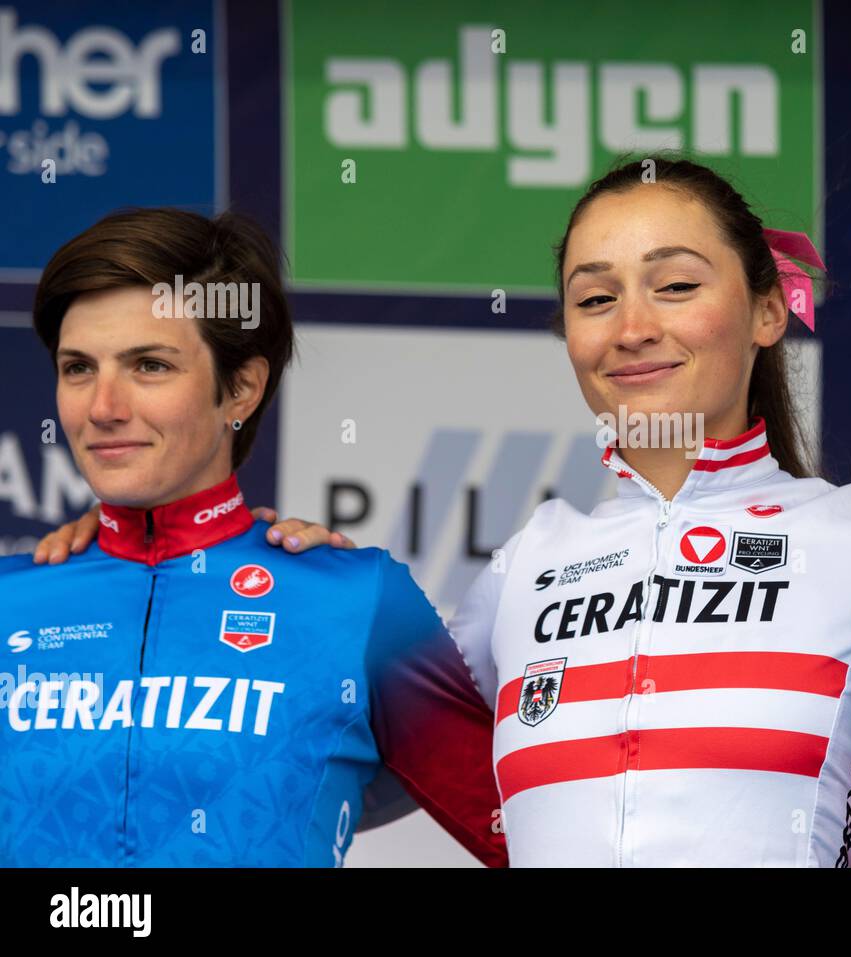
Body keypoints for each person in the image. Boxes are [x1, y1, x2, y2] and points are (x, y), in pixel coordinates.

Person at [39, 158, 851, 867]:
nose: (632, 327)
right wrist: (212, 570)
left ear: (765, 310)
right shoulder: (527, 568)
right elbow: (313, 753)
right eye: (595, 297)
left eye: (675, 285)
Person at [3, 208, 505, 867]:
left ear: (241, 387)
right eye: (77, 368)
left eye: (149, 365)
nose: (103, 407)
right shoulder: (15, 599)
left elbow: (538, 834)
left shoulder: (356, 603)